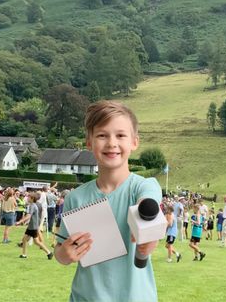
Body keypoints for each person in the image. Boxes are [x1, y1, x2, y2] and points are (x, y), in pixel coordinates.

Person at [54, 100, 162, 302]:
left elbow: (149, 204)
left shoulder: (143, 187)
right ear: (89, 142)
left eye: (120, 135)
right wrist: (65, 254)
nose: (112, 143)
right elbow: (60, 253)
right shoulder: (75, 198)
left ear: (134, 142)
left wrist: (148, 231)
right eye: (102, 135)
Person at [15, 192, 53, 259]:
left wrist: (19, 222)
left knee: (36, 242)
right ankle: (24, 255)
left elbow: (28, 216)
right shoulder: (32, 205)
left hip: (33, 227)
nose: (27, 198)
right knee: (25, 240)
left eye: (29, 197)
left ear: (32, 198)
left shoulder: (32, 206)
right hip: (32, 226)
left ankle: (49, 252)